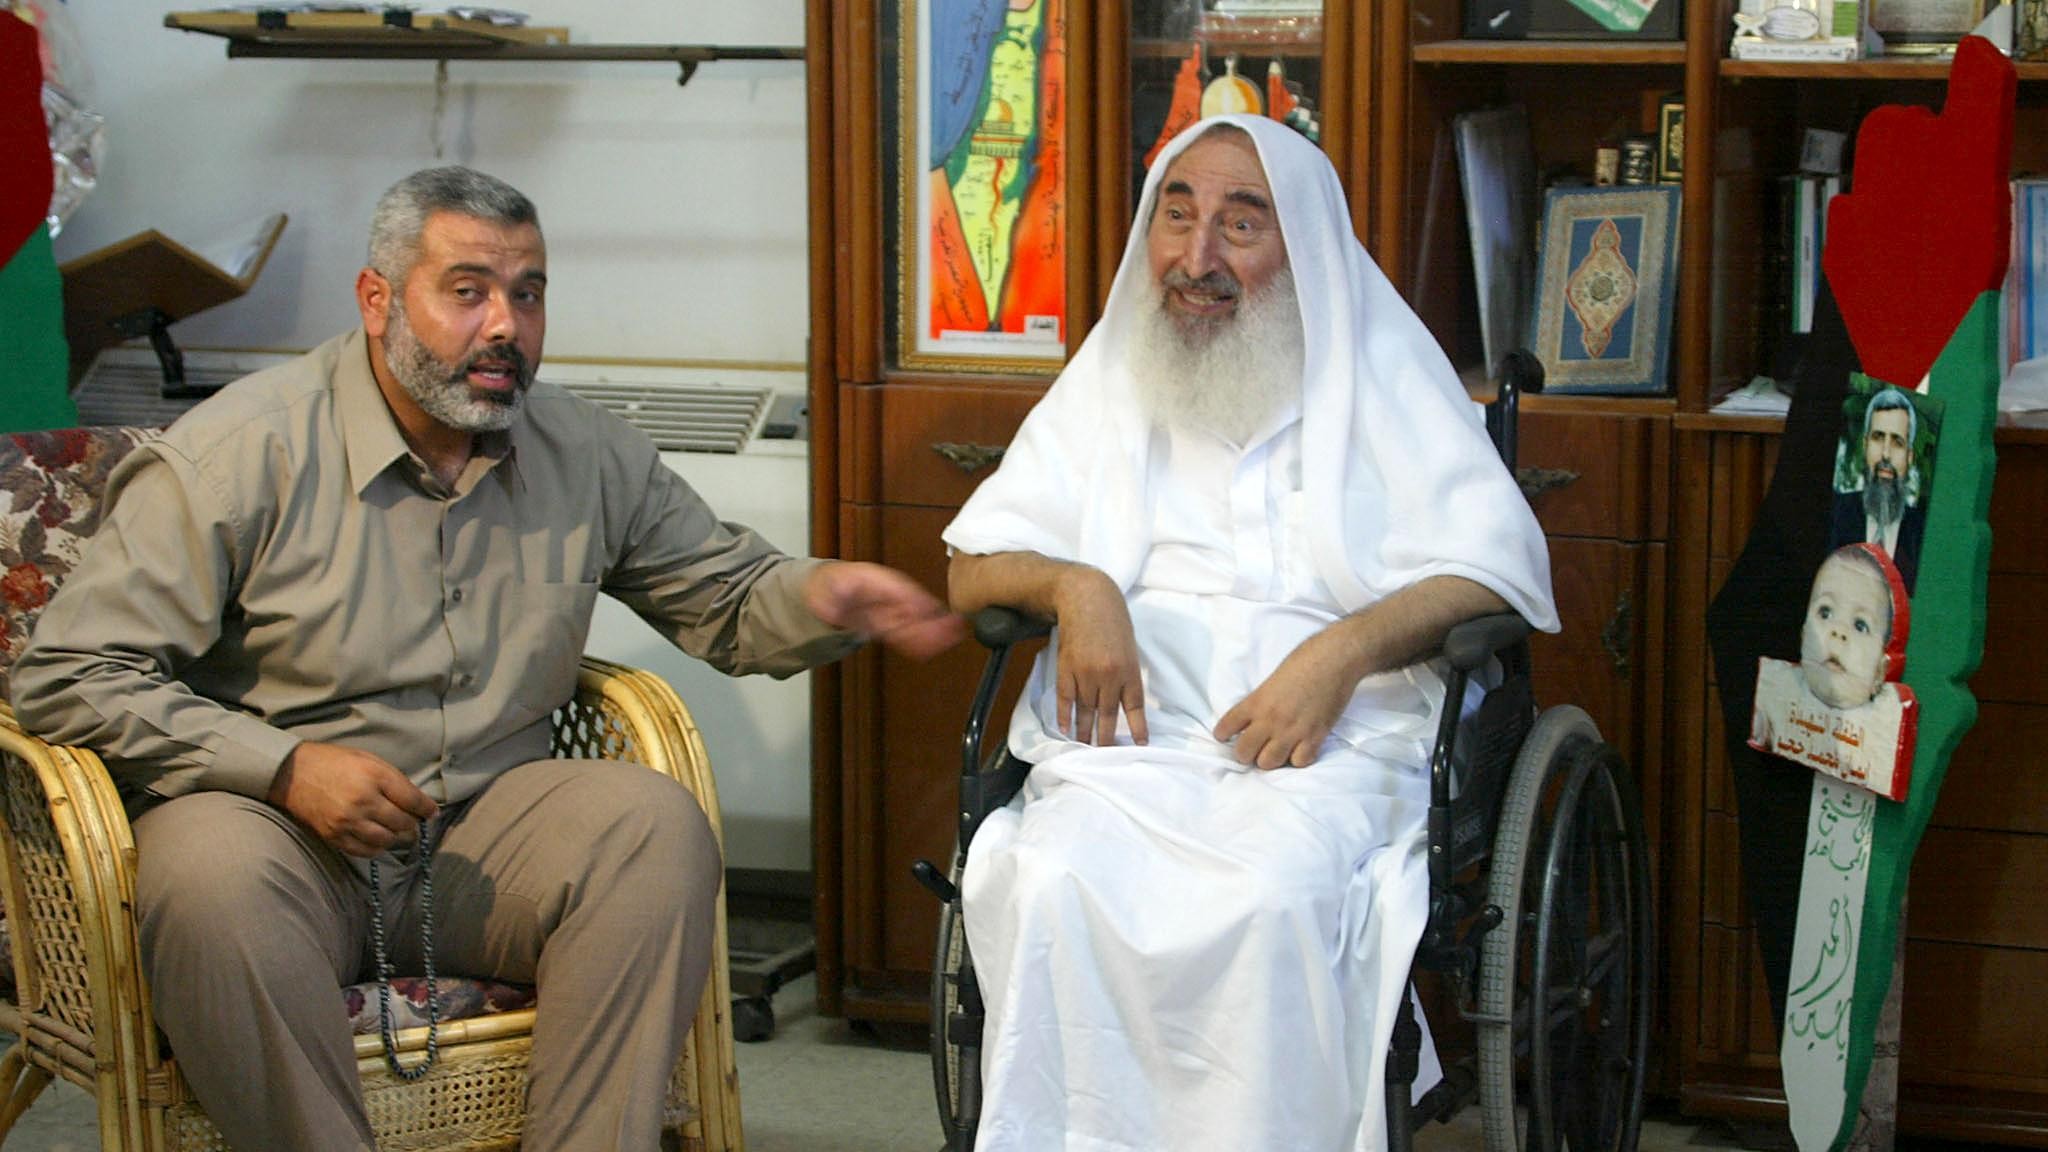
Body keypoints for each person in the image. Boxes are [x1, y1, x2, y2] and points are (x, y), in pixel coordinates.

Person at [7, 166, 962, 1152]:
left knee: (650, 825)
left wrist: (820, 596)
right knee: (205, 875)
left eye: (528, 293)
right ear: (378, 298)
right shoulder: (238, 456)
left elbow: (722, 596)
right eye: (466, 291)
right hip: (280, 837)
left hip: (485, 836)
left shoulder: (582, 452)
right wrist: (281, 767)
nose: (505, 324)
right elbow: (71, 673)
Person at [940, 116, 1556, 1151]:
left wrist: (1343, 651)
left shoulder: (1376, 370)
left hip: (1330, 745)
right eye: (1176, 216)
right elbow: (971, 566)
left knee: (1271, 899)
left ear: (1303, 246)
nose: (1197, 258)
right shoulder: (1115, 368)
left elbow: (1490, 563)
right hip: (1131, 744)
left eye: (1240, 224)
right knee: (1050, 879)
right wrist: (1076, 583)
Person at [1749, 544, 1916, 799]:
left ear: (1882, 672)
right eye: (1825, 612)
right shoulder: (1773, 711)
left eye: (1860, 625)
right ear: (1804, 636)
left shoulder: (1881, 736)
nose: (1837, 632)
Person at [1829, 386, 1928, 593]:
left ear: (1909, 457)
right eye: (1878, 437)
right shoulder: (1834, 514)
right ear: (1865, 446)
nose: (1885, 454)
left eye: (1897, 442)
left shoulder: (1924, 532)